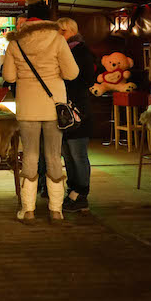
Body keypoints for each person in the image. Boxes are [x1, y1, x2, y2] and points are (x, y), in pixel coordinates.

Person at [2, 2, 79, 224]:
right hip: (54, 105)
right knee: (54, 155)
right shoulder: (57, 39)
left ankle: (28, 210)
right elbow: (72, 73)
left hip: (27, 106)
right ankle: (56, 210)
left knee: (31, 155)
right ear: (48, 19)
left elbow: (8, 76)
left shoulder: (16, 41)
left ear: (29, 19)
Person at [57, 18, 96, 213]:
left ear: (70, 31)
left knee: (77, 153)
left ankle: (81, 193)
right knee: (68, 154)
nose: (58, 35)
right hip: (65, 110)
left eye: (61, 31)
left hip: (78, 110)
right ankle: (73, 190)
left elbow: (87, 79)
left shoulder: (81, 51)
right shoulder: (66, 51)